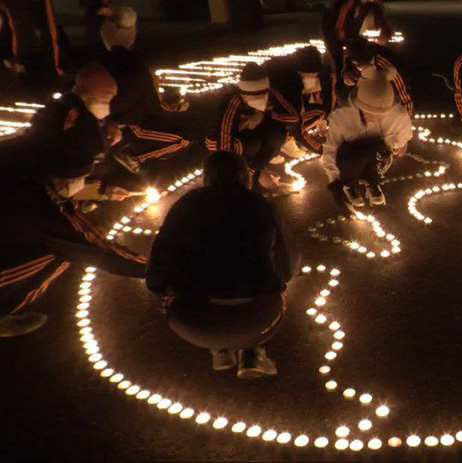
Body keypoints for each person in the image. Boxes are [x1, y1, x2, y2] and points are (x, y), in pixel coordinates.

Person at [0, 83, 147, 337]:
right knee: (59, 250)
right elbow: (91, 245)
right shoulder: (29, 198)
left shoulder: (21, 153)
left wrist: (100, 191)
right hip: (18, 221)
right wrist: (159, 268)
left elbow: (53, 189)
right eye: (83, 171)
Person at [146, 152, 300, 378]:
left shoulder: (185, 205)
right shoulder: (262, 206)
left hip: (194, 325)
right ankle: (253, 352)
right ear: (245, 177)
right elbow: (289, 267)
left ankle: (220, 349)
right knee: (277, 289)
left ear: (206, 178)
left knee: (157, 284)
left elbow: (156, 276)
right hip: (258, 321)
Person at [0, 61, 130, 201]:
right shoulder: (73, 118)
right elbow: (72, 160)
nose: (109, 102)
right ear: (92, 92)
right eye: (107, 96)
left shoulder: (72, 112)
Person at [98, 7, 192, 171]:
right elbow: (154, 103)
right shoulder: (137, 65)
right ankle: (132, 156)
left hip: (102, 122)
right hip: (128, 125)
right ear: (132, 35)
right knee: (181, 140)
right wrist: (176, 108)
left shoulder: (99, 62)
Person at [323, 67, 412, 207]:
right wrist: (334, 181)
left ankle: (372, 181)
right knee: (359, 153)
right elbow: (331, 148)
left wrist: (400, 143)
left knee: (379, 149)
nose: (375, 118)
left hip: (376, 157)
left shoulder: (398, 115)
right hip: (349, 158)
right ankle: (349, 185)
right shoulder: (342, 116)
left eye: (382, 114)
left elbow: (401, 140)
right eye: (369, 112)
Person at [206, 62, 300, 193]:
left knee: (278, 133)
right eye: (255, 96)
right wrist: (226, 173)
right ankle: (248, 178)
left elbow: (293, 117)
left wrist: (263, 114)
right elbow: (224, 138)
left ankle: (256, 171)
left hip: (254, 133)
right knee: (252, 142)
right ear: (245, 94)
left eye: (263, 95)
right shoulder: (233, 101)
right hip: (224, 140)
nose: (261, 99)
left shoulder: (271, 93)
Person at [265, 45, 330, 154]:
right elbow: (296, 121)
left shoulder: (300, 77)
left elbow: (315, 97)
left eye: (316, 74)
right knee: (294, 121)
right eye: (310, 75)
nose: (314, 78)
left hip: (289, 111)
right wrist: (321, 150)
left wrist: (322, 122)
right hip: (273, 118)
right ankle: (285, 141)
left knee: (319, 113)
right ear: (298, 73)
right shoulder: (285, 85)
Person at [340, 37, 412, 116]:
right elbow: (345, 67)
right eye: (357, 66)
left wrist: (408, 120)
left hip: (385, 97)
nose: (361, 69)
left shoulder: (388, 64)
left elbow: (404, 95)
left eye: (364, 65)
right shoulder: (349, 52)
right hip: (363, 94)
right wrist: (345, 74)